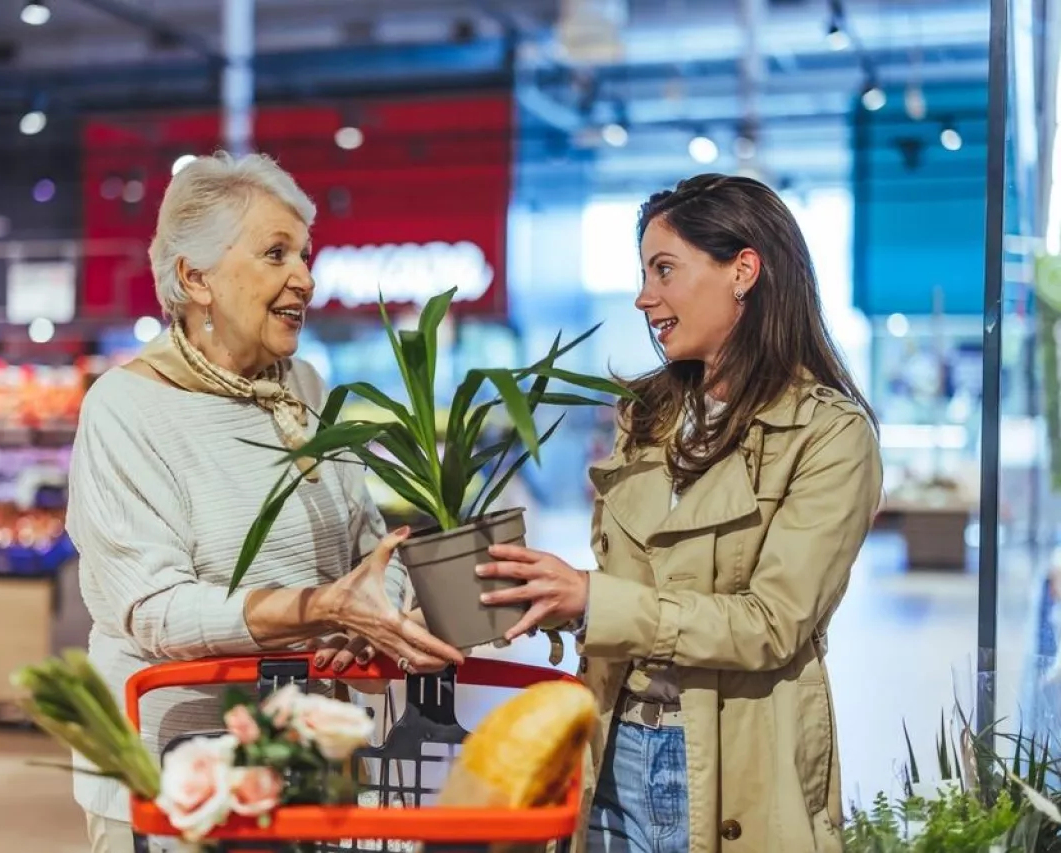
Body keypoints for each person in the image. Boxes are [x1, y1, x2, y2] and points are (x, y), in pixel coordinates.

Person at [66, 151, 464, 852]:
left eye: (305, 254)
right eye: (276, 253)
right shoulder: (125, 408)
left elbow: (366, 545)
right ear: (196, 277)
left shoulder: (306, 386)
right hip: (176, 782)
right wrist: (320, 608)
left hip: (310, 768)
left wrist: (369, 614)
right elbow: (156, 610)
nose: (305, 277)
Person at [476, 174, 883, 852]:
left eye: (664, 269)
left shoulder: (829, 434)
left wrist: (594, 599)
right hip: (609, 744)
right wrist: (555, 596)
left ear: (743, 270)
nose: (644, 297)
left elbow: (772, 623)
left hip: (724, 759)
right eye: (643, 273)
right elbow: (632, 589)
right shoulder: (647, 417)